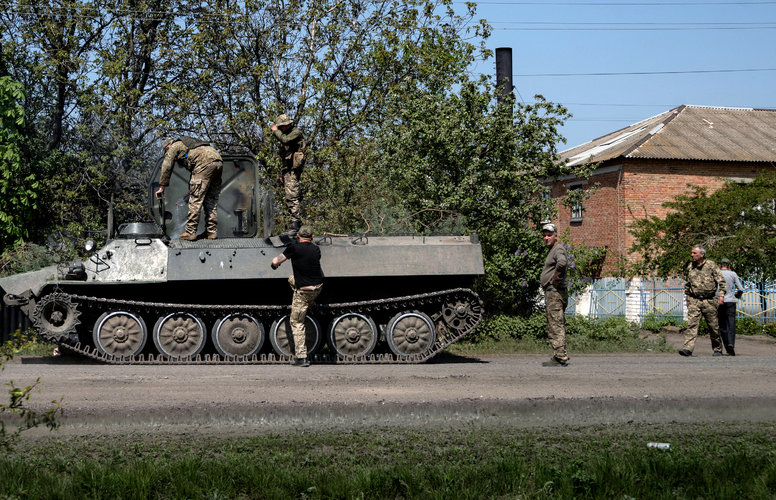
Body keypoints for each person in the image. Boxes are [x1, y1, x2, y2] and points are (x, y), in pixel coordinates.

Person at [270, 225, 323, 367]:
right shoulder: (316, 249)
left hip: (304, 292)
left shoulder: (294, 248)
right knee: (291, 279)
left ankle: (302, 357)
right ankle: (312, 305)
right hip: (318, 288)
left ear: (298, 236)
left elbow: (276, 261)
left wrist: (274, 265)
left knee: (297, 322)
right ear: (312, 237)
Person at [155, 136, 223, 240]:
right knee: (211, 200)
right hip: (218, 160)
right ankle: (211, 232)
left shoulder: (174, 146)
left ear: (167, 146)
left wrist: (162, 186)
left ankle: (190, 232)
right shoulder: (189, 144)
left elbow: (167, 165)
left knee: (195, 200)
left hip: (204, 163)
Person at [680, 245, 726, 357]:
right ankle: (688, 349)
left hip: (709, 301)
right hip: (695, 301)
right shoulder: (691, 267)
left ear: (702, 254)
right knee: (691, 325)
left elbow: (722, 282)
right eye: (692, 253)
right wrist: (687, 298)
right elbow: (687, 284)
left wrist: (721, 296)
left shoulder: (711, 265)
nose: (692, 255)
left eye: (694, 253)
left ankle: (717, 349)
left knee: (713, 326)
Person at [271, 114, 306, 236]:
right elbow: (284, 157)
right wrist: (282, 172)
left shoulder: (295, 133)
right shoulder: (287, 134)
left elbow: (285, 140)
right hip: (288, 170)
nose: (281, 129)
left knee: (292, 196)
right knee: (288, 197)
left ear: (287, 125)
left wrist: (275, 132)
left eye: (282, 127)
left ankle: (295, 224)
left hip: (293, 171)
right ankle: (293, 224)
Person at [540, 223, 569, 366]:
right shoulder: (553, 250)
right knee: (554, 324)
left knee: (555, 324)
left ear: (556, 236)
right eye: (544, 235)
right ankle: (558, 355)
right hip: (553, 293)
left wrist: (556, 277)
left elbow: (562, 263)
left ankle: (560, 357)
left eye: (549, 235)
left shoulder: (558, 249)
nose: (546, 238)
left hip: (555, 293)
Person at [718, 258, 744, 356]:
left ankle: (726, 347)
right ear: (729, 265)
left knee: (722, 325)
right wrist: (737, 295)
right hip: (731, 302)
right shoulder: (733, 274)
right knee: (731, 324)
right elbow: (741, 288)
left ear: (720, 265)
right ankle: (731, 344)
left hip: (720, 301)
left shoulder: (717, 274)